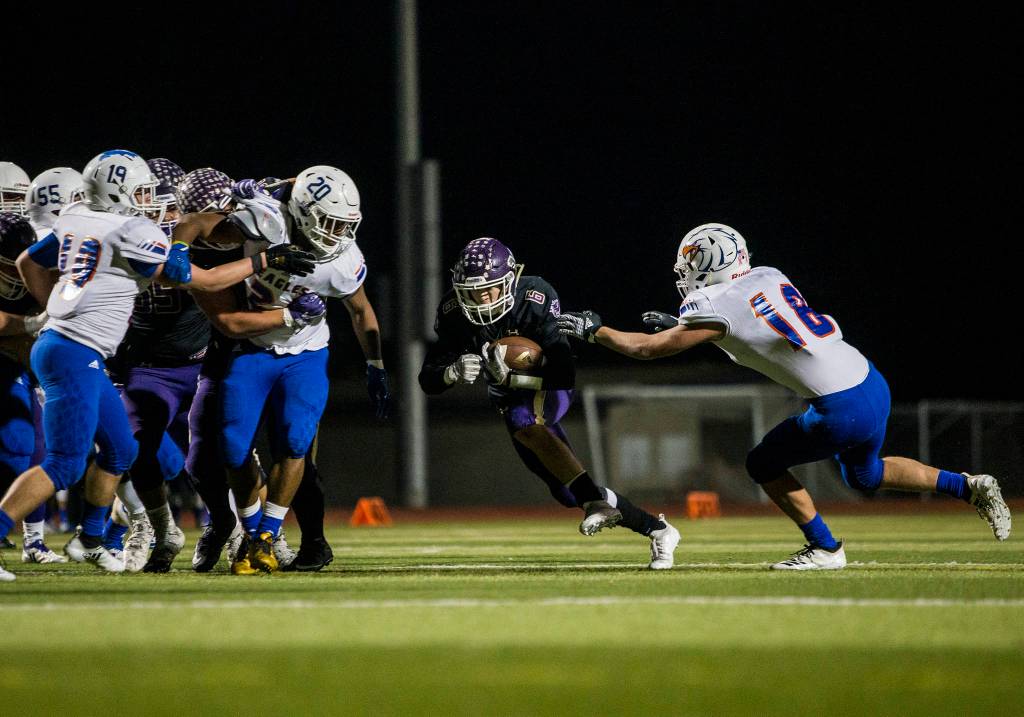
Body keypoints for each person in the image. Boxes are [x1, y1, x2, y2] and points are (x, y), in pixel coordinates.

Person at [556, 223, 1012, 570]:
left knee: (762, 463)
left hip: (839, 408)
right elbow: (753, 328)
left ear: (709, 267)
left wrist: (597, 333)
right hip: (871, 383)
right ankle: (968, 486)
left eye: (690, 266)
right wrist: (691, 330)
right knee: (866, 477)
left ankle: (826, 548)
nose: (685, 276)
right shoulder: (767, 276)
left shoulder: (714, 307)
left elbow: (646, 349)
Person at [0, 149, 316, 582]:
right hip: (74, 350)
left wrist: (51, 307)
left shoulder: (77, 216)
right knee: (63, 464)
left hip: (74, 347)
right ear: (118, 193)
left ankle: (91, 539)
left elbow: (28, 262)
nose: (151, 200)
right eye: (142, 191)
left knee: (122, 449)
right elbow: (202, 281)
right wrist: (262, 260)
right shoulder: (130, 229)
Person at [418, 237, 680, 570]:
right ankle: (657, 529)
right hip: (511, 400)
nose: (480, 299)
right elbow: (427, 379)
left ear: (510, 280)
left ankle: (598, 504)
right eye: (470, 292)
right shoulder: (454, 313)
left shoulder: (534, 298)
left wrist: (511, 377)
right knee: (569, 492)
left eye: (489, 289)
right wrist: (452, 372)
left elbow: (563, 374)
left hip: (547, 389)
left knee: (524, 421)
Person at [199, 166, 389, 575]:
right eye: (329, 221)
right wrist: (236, 203)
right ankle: (252, 533)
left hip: (306, 353)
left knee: (296, 443)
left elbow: (360, 310)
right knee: (231, 449)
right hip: (252, 349)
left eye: (344, 224)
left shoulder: (343, 260)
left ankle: (266, 536)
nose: (336, 232)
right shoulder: (267, 219)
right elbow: (211, 235)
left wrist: (375, 364)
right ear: (303, 211)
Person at [0, 213, 62, 578]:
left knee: (34, 449)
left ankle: (34, 540)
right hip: (10, 361)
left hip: (22, 365)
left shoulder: (39, 264)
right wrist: (28, 325)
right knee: (18, 443)